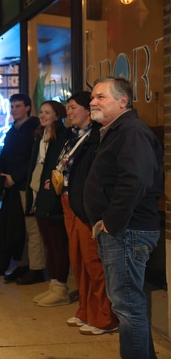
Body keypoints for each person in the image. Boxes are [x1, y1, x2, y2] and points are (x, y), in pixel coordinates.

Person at [84, 77, 163, 358]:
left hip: (127, 231)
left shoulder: (131, 131)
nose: (92, 102)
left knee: (128, 307)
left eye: (100, 97)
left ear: (122, 101)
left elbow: (135, 180)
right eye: (93, 97)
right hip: (122, 231)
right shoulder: (116, 130)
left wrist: (111, 223)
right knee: (127, 306)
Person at [58, 92, 117, 334]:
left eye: (73, 107)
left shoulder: (96, 137)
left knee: (94, 262)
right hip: (68, 201)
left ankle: (104, 317)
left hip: (84, 206)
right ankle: (85, 310)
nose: (69, 112)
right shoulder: (72, 137)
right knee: (79, 261)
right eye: (68, 108)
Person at [25, 100, 71, 306]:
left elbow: (63, 166)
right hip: (38, 196)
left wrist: (54, 185)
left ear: (57, 115)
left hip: (52, 197)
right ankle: (53, 285)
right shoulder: (39, 136)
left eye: (47, 112)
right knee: (48, 244)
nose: (42, 115)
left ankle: (60, 288)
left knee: (57, 243)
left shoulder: (62, 135)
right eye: (41, 112)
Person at [0, 94, 40, 280]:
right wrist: (2, 177)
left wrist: (15, 177)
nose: (14, 110)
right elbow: (5, 156)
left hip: (25, 186)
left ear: (28, 107)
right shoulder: (12, 131)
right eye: (12, 106)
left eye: (18, 106)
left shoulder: (35, 130)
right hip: (11, 186)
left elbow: (34, 158)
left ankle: (35, 268)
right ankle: (23, 264)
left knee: (30, 228)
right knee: (14, 229)